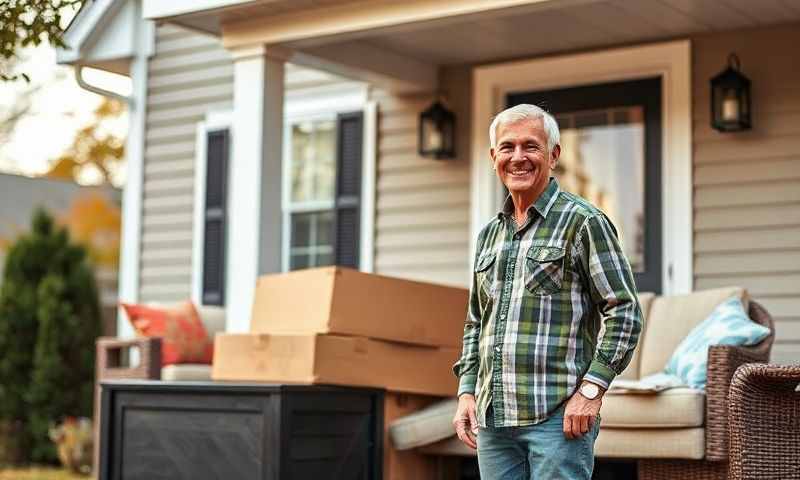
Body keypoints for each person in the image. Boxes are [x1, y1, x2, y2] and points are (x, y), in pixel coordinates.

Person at [452, 103, 643, 479]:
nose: (518, 157)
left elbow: (624, 310)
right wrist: (466, 392)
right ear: (494, 158)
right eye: (507, 147)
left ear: (554, 155)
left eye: (531, 146)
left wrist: (591, 391)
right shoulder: (489, 236)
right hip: (494, 420)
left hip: (556, 418)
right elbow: (477, 321)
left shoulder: (584, 222)